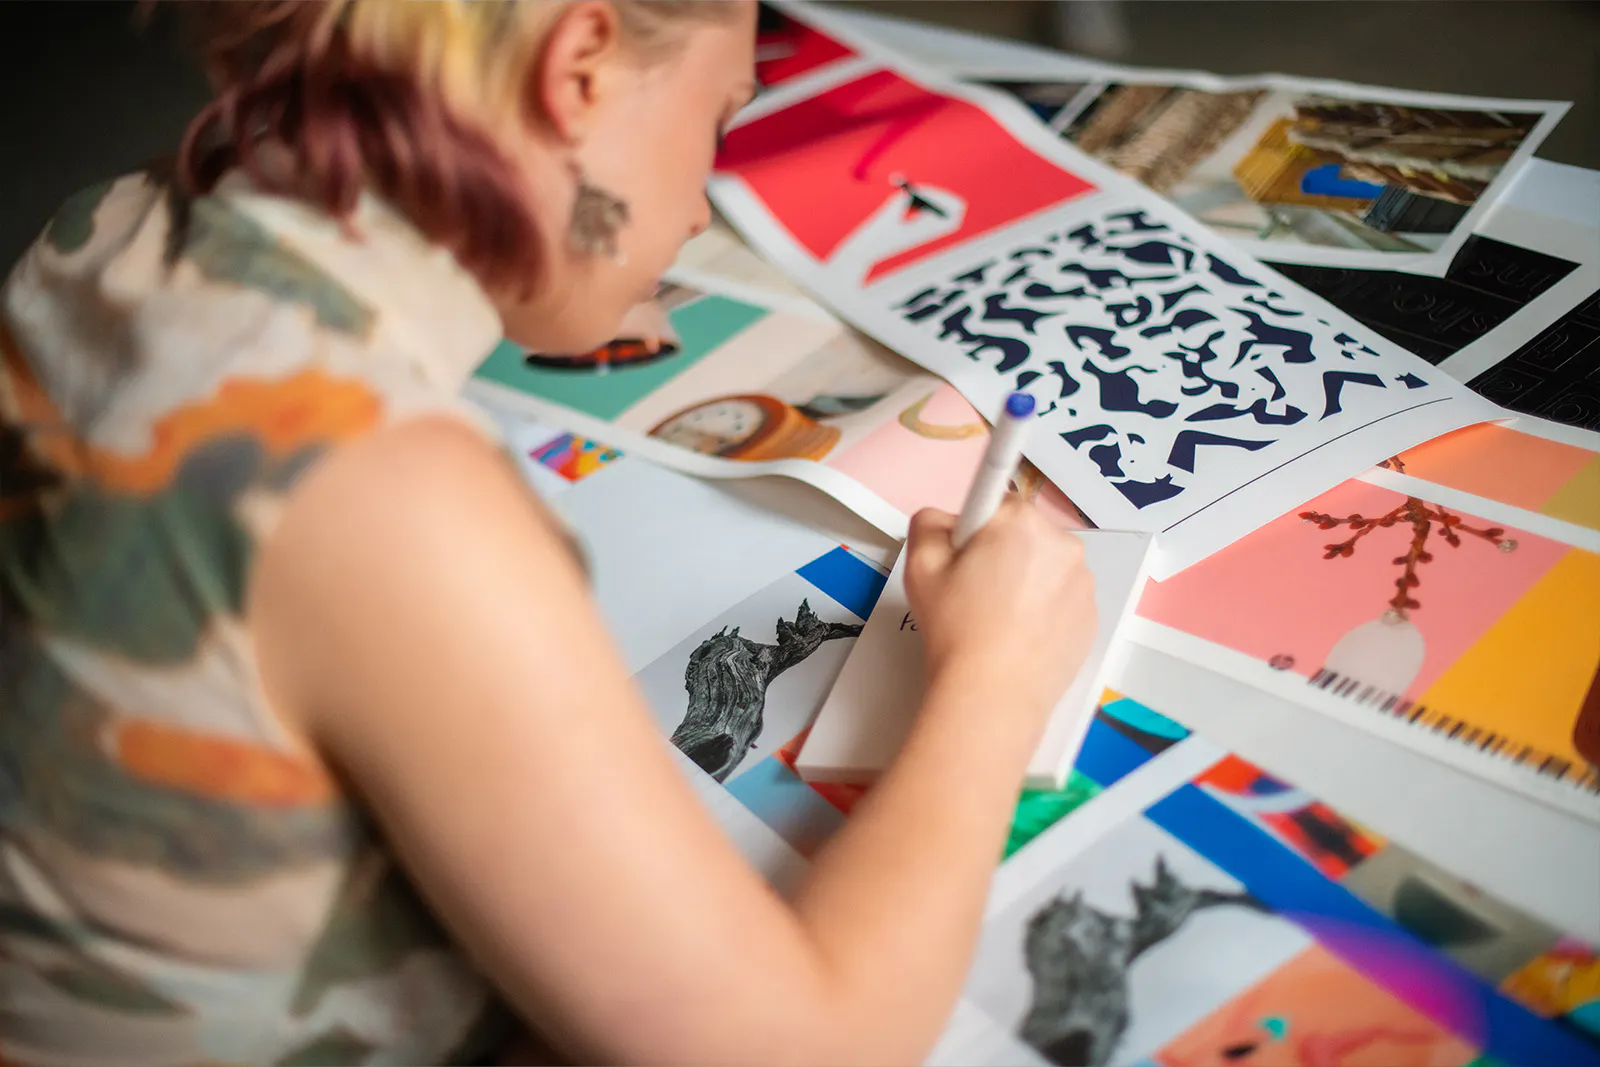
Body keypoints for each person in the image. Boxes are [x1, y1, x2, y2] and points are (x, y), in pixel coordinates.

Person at [0, 1, 1097, 1063]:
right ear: (578, 70)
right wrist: (995, 675)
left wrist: (551, 258)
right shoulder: (384, 496)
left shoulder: (112, 226)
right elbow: (809, 1043)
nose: (697, 214)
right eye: (715, 118)